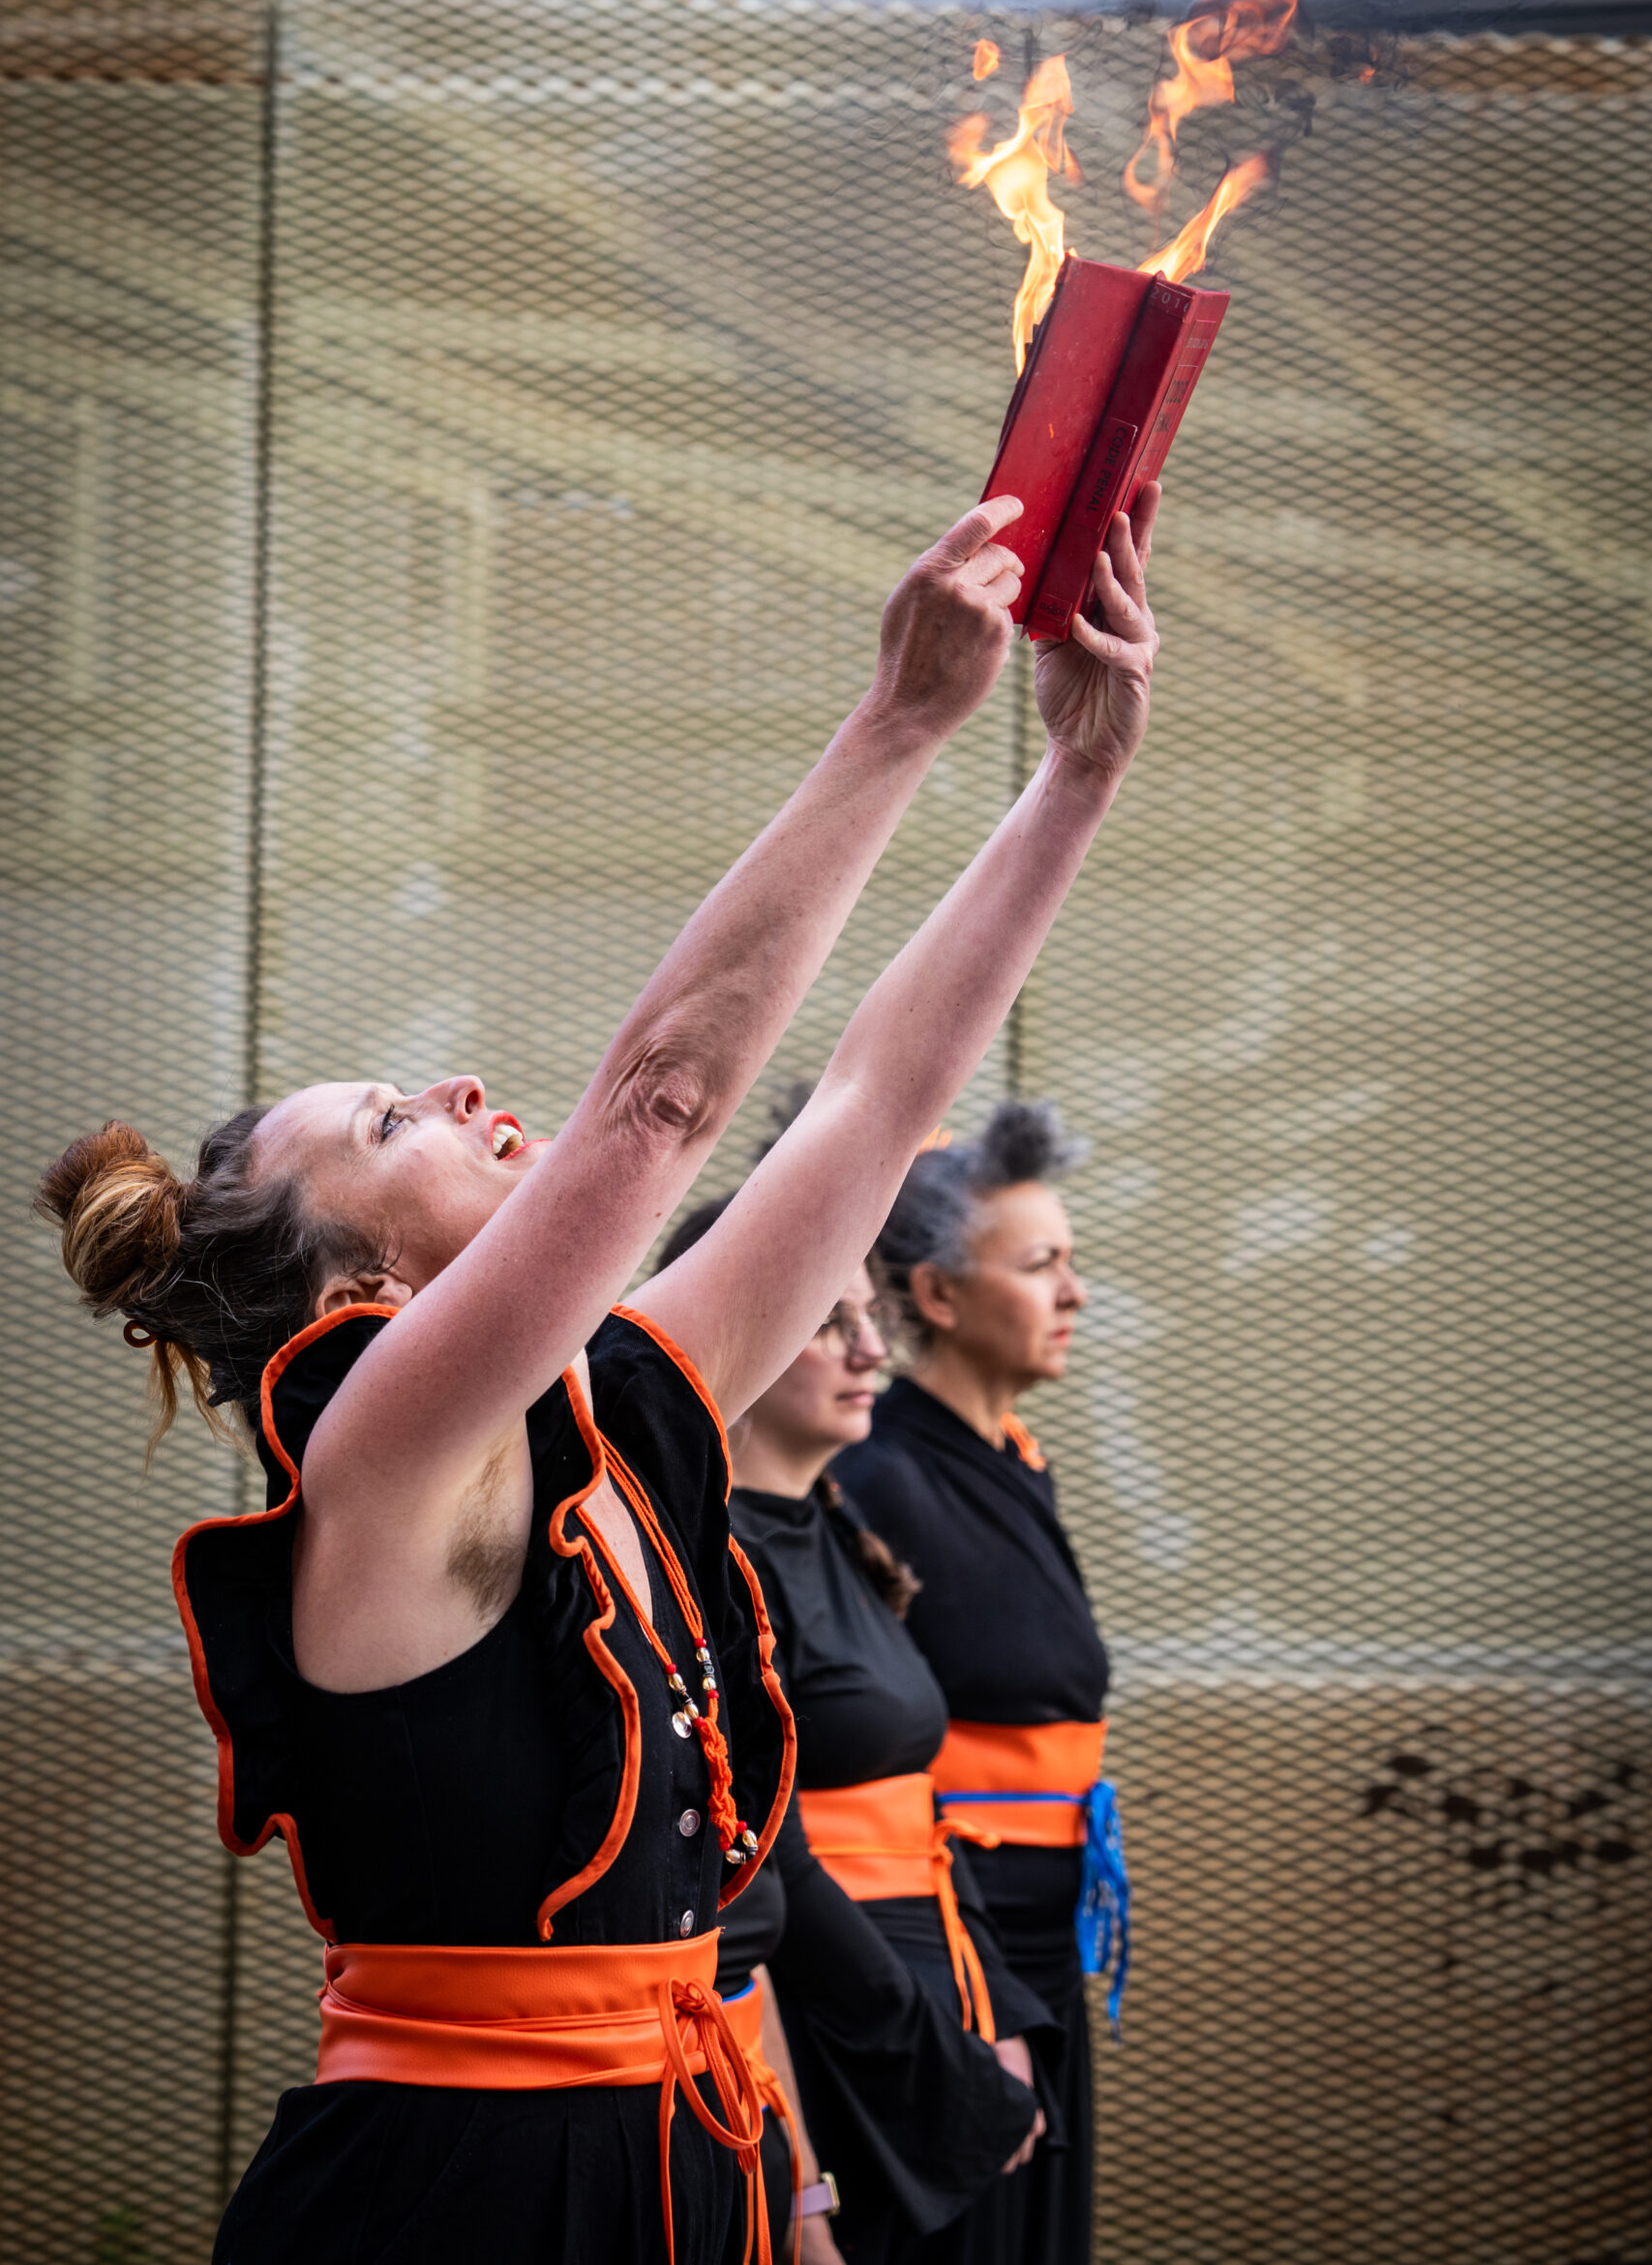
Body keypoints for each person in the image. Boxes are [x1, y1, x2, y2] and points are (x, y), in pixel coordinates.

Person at [38, 483, 1159, 2265]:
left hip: (674, 2161)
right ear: (364, 1287)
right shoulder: (378, 1453)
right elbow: (661, 1105)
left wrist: (1075, 776)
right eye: (391, 1124)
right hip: (458, 2198)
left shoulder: (616, 1413)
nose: (462, 1092)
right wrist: (898, 721)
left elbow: (872, 1105)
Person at [658, 1192, 1049, 2264]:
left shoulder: (835, 1523)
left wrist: (997, 2014)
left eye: (869, 1316)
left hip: (935, 2001)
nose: (873, 1348)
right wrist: (925, 2079)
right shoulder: (714, 1560)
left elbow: (924, 1813)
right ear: (736, 1330)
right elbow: (765, 1873)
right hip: (843, 2039)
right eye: (830, 1322)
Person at [836, 1102, 1118, 2265]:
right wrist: (977, 1995)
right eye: (1041, 1263)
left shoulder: (1013, 1461)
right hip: (953, 1954)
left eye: (1071, 1260)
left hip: (1044, 1939)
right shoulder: (879, 1474)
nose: (1075, 1292)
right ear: (939, 1295)